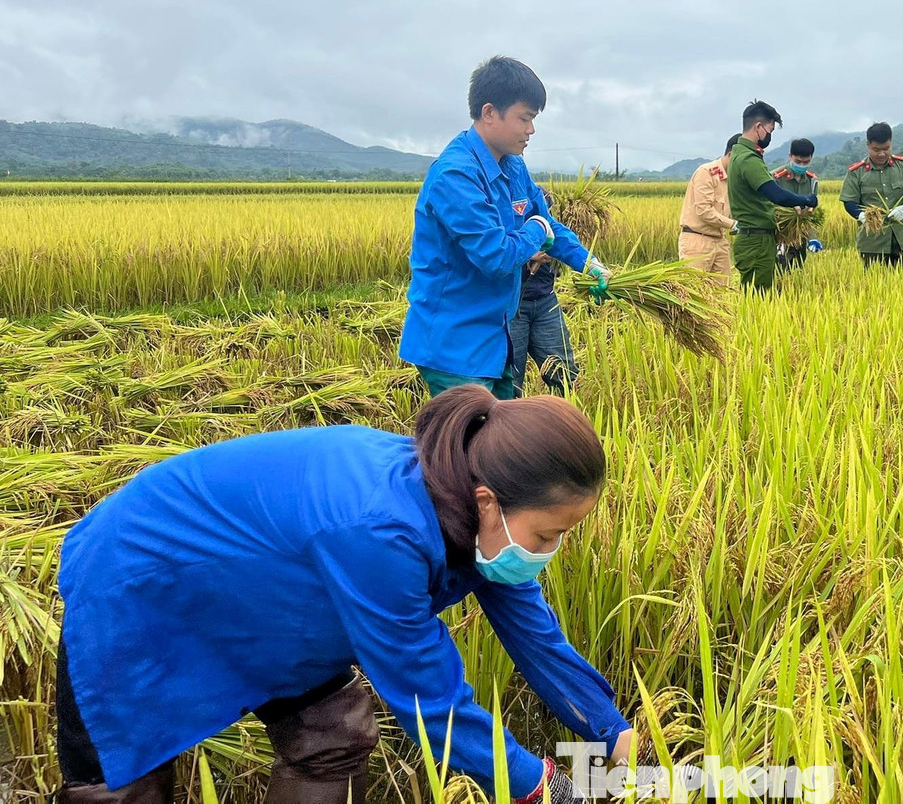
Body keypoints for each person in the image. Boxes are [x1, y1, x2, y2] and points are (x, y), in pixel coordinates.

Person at [54, 386, 632, 804]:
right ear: (489, 502)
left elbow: (537, 638)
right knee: (126, 783)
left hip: (265, 597)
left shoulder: (468, 510)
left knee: (332, 735)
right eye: (549, 534)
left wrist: (611, 727)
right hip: (142, 579)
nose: (550, 550)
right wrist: (541, 788)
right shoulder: (381, 531)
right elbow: (435, 703)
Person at [400, 56, 611, 400]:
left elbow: (548, 223)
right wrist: (537, 229)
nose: (531, 130)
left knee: (498, 445)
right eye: (524, 118)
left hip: (495, 340)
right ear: (489, 113)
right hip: (455, 346)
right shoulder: (456, 175)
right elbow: (496, 255)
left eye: (533, 120)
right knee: (468, 450)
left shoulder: (513, 167)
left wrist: (590, 264)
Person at [727, 101, 819, 293]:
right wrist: (806, 200)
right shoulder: (748, 159)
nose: (769, 136)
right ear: (758, 127)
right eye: (770, 131)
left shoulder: (740, 154)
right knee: (758, 299)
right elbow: (775, 194)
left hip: (756, 239)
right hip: (756, 241)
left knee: (758, 297)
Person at [511, 192, 580, 394]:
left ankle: (564, 419)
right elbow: (496, 256)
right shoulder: (504, 219)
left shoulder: (548, 226)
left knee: (564, 374)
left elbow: (563, 244)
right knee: (510, 381)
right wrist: (526, 258)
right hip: (513, 307)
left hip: (545, 303)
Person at [840, 122, 903, 268]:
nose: (881, 154)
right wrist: (862, 216)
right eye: (876, 150)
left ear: (891, 143)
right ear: (868, 145)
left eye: (886, 149)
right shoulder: (856, 172)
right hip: (872, 241)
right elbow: (849, 202)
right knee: (875, 285)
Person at [677, 134, 741, 285]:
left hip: (720, 241)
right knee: (695, 292)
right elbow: (704, 211)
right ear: (731, 155)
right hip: (697, 241)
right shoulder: (706, 173)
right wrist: (733, 224)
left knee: (723, 293)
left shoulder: (732, 179)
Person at [772, 138, 818, 271]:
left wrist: (812, 238)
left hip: (800, 238)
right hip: (780, 236)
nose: (802, 165)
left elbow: (812, 212)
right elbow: (768, 206)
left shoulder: (812, 181)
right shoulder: (776, 178)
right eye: (798, 161)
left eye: (806, 162)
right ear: (790, 157)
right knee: (779, 272)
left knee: (798, 271)